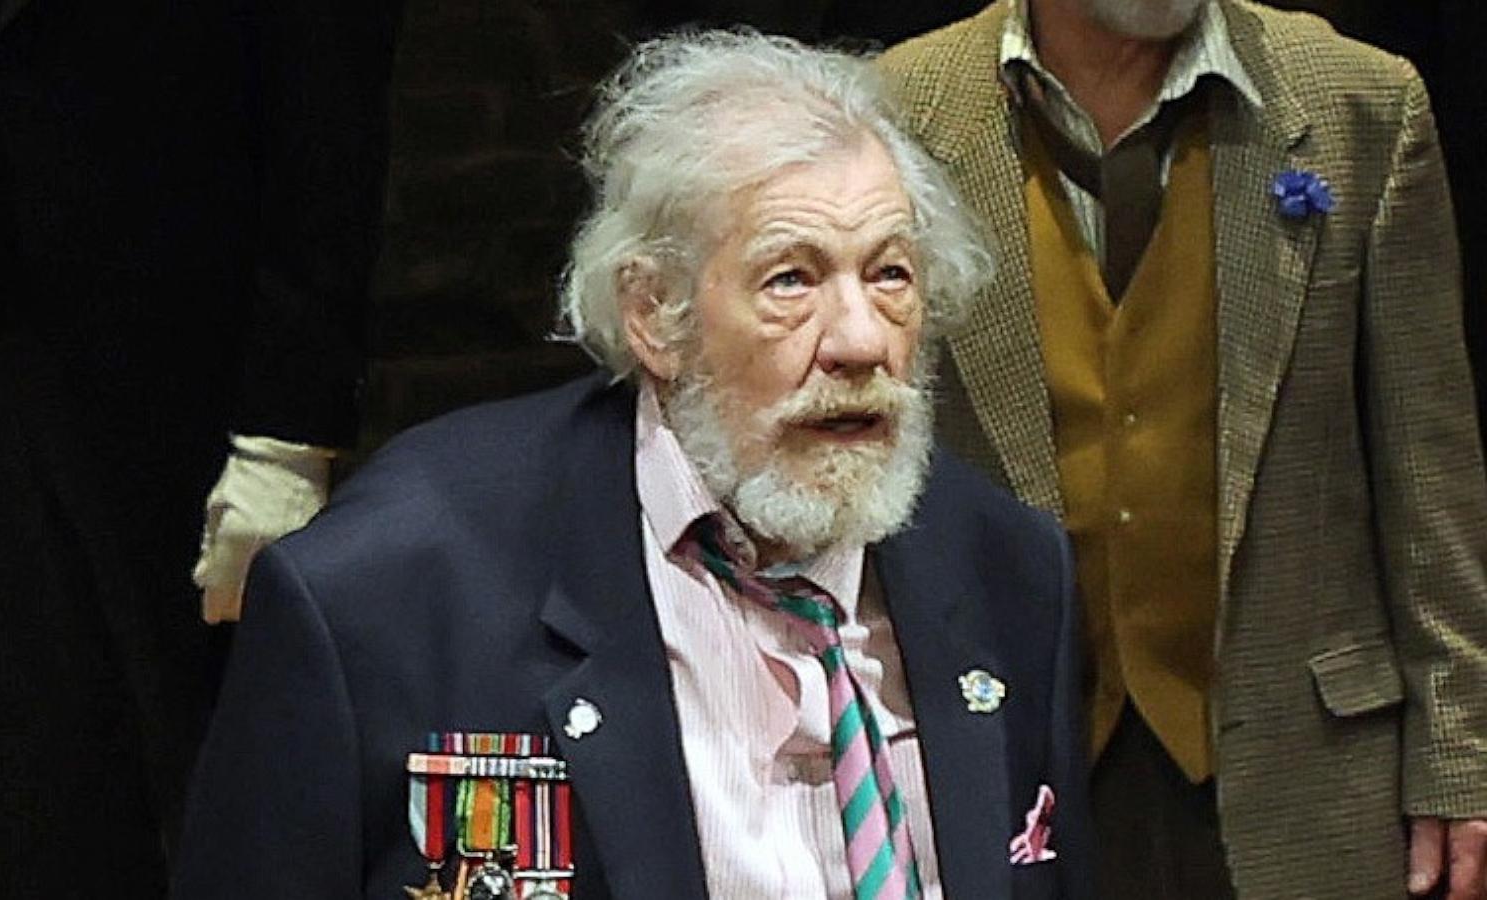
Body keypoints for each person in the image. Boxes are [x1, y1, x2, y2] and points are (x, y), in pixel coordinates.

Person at [173, 30, 1089, 900]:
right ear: (656, 314)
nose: (859, 341)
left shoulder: (1010, 573)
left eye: (890, 275)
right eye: (791, 280)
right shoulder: (385, 591)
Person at [879, 1, 1487, 897]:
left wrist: (1459, 746)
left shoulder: (1363, 102)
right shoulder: (891, 113)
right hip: (1001, 765)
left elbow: (1428, 470)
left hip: (1301, 770)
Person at [0, 1, 400, 896]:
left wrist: (288, 426)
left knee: (221, 785)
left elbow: (331, 116)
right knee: (42, 769)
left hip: (197, 373)